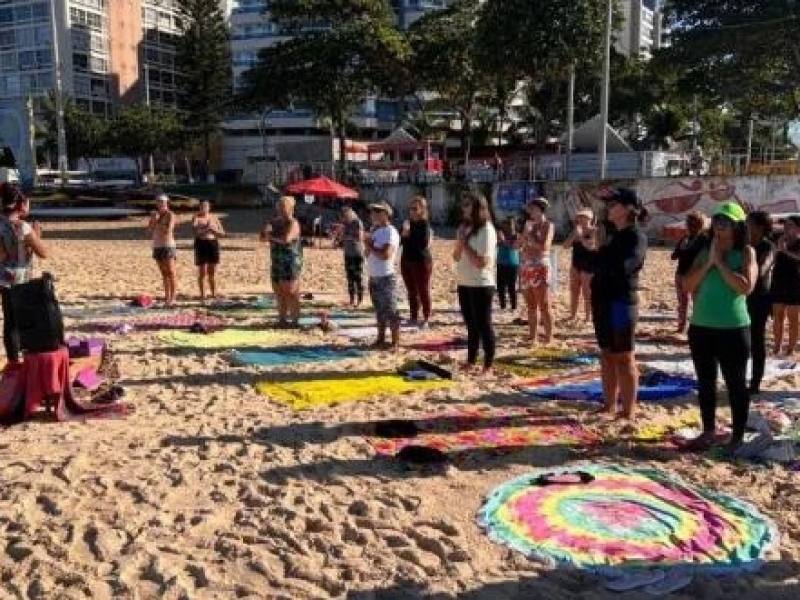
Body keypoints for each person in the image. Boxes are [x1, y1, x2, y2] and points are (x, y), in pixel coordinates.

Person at [683, 202, 756, 452]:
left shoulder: (746, 252)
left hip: (733, 328)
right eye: (716, 221)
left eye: (725, 222)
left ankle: (736, 435)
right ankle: (708, 430)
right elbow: (688, 285)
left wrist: (721, 263)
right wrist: (709, 262)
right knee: (705, 382)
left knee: (735, 383)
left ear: (737, 226)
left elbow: (746, 287)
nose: (719, 227)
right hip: (701, 326)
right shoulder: (705, 250)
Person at [590, 188, 648, 422]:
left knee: (624, 357)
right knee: (606, 354)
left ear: (628, 209)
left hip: (621, 301)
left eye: (613, 204)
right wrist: (593, 247)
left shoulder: (636, 236)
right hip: (602, 299)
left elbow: (625, 267)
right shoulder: (612, 234)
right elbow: (591, 264)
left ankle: (629, 410)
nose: (608, 207)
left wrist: (600, 253)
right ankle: (609, 405)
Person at [0, 183, 48, 364]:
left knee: (9, 321)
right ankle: (27, 358)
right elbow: (43, 253)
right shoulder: (24, 227)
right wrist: (37, 234)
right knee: (24, 321)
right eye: (28, 204)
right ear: (21, 205)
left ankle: (13, 362)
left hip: (3, 277)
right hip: (21, 278)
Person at [453, 192, 497, 374]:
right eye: (463, 205)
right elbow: (456, 256)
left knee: (483, 324)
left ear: (478, 208)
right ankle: (471, 360)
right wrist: (460, 241)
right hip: (464, 282)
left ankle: (488, 364)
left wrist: (465, 243)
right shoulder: (465, 227)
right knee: (471, 325)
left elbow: (481, 262)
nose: (464, 208)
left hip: (481, 284)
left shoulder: (487, 229)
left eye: (468, 205)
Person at [260, 195, 302, 327]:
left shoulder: (293, 223)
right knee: (278, 291)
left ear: (291, 208)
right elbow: (262, 238)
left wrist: (270, 237)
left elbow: (287, 239)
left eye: (284, 207)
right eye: (280, 206)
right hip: (277, 259)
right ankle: (282, 320)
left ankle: (295, 321)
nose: (282, 209)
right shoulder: (274, 222)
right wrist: (265, 232)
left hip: (290, 261)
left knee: (291, 291)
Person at [746, 211, 775, 395]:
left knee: (757, 340)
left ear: (759, 227)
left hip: (760, 299)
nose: (745, 226)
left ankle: (755, 383)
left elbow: (763, 269)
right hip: (742, 296)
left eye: (748, 223)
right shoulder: (743, 244)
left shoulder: (768, 247)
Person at [365, 201, 401, 350]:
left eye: (378, 211)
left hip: (386, 277)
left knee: (391, 311)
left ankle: (395, 342)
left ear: (387, 214)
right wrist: (368, 245)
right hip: (374, 276)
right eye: (373, 211)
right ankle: (380, 339)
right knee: (379, 311)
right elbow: (368, 253)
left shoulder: (390, 231)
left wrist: (369, 245)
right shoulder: (375, 230)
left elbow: (386, 254)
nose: (374, 213)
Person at [519, 197, 554, 345]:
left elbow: (544, 247)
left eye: (532, 209)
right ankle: (532, 335)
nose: (530, 212)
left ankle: (548, 337)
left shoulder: (548, 225)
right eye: (530, 209)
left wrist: (530, 234)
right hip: (527, 265)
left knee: (544, 304)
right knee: (531, 304)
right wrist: (522, 236)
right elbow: (520, 244)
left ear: (541, 209)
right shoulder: (529, 225)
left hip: (540, 265)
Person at [670, 211, 708, 333]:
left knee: (697, 302)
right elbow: (674, 256)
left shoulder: (704, 239)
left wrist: (685, 250)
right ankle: (681, 326)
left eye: (692, 224)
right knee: (682, 303)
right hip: (680, 274)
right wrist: (681, 249)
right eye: (688, 223)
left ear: (699, 225)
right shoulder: (685, 238)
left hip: (695, 275)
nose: (689, 226)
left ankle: (698, 326)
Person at [400, 195, 434, 328]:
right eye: (411, 208)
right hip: (406, 259)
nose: (412, 211)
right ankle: (413, 316)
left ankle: (426, 317)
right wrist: (404, 234)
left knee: (423, 290)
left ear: (422, 210)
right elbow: (400, 241)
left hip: (421, 261)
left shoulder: (424, 224)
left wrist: (409, 235)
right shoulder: (407, 223)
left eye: (415, 208)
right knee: (411, 290)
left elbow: (423, 243)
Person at [769, 215, 800, 356]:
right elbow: (773, 258)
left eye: (791, 225)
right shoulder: (779, 239)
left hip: (795, 283)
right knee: (778, 316)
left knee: (793, 319)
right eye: (786, 225)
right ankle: (777, 345)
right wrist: (777, 248)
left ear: (798, 228)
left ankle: (790, 349)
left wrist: (785, 250)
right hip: (778, 282)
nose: (787, 228)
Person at [562, 208, 596, 323]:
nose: (581, 219)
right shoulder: (576, 231)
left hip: (589, 265)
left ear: (589, 219)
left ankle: (588, 317)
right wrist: (573, 236)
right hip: (575, 264)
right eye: (579, 217)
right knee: (574, 291)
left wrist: (580, 237)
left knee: (587, 293)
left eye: (583, 217)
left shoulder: (594, 231)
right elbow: (565, 246)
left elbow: (591, 246)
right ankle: (573, 315)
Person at [146, 193, 178, 307]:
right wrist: (154, 220)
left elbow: (169, 231)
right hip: (157, 246)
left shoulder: (170, 215)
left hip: (168, 245)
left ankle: (173, 298)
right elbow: (148, 231)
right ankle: (167, 297)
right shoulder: (155, 215)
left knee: (171, 272)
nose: (160, 204)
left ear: (166, 203)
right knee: (164, 273)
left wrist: (159, 221)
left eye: (162, 202)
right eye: (158, 201)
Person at [191, 201, 225, 303]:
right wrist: (207, 229)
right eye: (202, 206)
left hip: (213, 243)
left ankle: (214, 293)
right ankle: (203, 294)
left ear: (209, 207)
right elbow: (195, 232)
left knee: (212, 271)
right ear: (199, 207)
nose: (204, 208)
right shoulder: (196, 217)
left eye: (206, 206)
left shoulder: (214, 218)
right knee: (202, 271)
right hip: (201, 243)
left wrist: (213, 230)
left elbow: (222, 233)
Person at [341, 207, 365, 307]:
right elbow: (344, 237)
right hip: (348, 253)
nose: (344, 218)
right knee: (349, 277)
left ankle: (359, 300)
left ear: (350, 214)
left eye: (346, 216)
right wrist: (341, 236)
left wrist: (347, 237)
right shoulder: (346, 224)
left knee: (358, 277)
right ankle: (351, 299)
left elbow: (360, 238)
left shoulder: (357, 222)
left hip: (357, 253)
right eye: (343, 217)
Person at [496, 216, 521, 312]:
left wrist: (503, 241)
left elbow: (514, 247)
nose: (509, 227)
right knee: (500, 287)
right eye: (507, 224)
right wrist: (499, 239)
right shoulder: (501, 235)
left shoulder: (517, 236)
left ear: (514, 225)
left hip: (512, 264)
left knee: (511, 286)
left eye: (511, 224)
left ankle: (514, 306)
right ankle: (503, 305)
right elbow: (495, 244)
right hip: (501, 263)